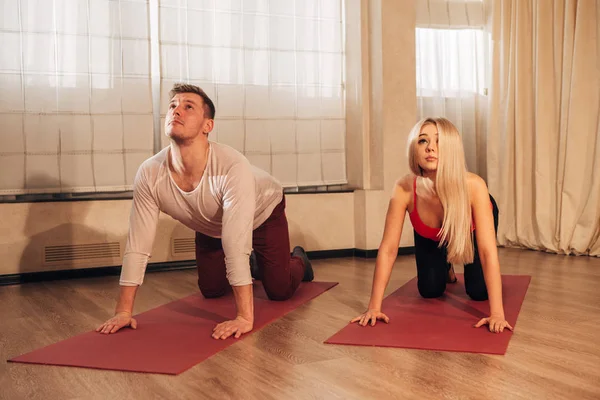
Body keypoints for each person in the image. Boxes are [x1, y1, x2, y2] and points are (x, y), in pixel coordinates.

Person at [96, 83, 314, 340]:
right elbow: (138, 244)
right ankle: (255, 264)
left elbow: (235, 241)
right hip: (211, 224)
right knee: (211, 290)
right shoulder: (150, 172)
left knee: (279, 290)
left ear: (207, 126)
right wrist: (123, 311)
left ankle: (299, 259)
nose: (177, 111)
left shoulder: (232, 166)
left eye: (188, 107)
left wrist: (244, 318)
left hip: (264, 211)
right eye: (173, 106)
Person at [351, 117, 512, 334]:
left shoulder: (474, 186)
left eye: (439, 142)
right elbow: (388, 249)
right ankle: (445, 266)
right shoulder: (404, 188)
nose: (431, 148)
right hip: (430, 232)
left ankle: (454, 262)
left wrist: (497, 314)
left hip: (471, 226)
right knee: (429, 290)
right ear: (414, 149)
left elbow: (486, 252)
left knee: (478, 291)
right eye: (422, 141)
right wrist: (373, 307)